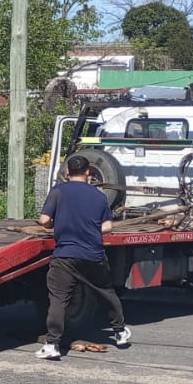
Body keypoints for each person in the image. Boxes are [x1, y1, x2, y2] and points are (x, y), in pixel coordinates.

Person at [35, 153, 131, 359]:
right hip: (93, 254)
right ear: (88, 172)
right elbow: (107, 227)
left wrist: (55, 224)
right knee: (107, 292)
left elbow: (44, 220)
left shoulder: (58, 191)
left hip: (65, 256)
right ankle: (120, 332)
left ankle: (52, 345)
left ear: (67, 172)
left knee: (59, 299)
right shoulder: (98, 196)